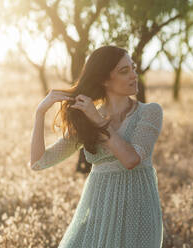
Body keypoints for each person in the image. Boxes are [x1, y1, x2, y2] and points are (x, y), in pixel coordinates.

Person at [29, 45, 164, 247]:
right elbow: (38, 162)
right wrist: (39, 114)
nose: (134, 76)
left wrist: (99, 121)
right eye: (124, 71)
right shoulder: (87, 118)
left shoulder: (150, 112)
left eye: (133, 68)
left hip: (139, 213)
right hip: (99, 214)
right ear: (103, 79)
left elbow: (131, 159)